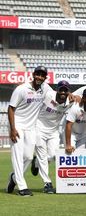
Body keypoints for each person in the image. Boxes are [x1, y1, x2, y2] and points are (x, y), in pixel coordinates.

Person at [6, 66, 52, 196]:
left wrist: (72, 95)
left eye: (42, 75)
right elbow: (11, 108)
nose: (39, 77)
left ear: (45, 78)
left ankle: (14, 178)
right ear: (33, 74)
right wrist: (13, 129)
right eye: (38, 74)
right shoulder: (21, 89)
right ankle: (22, 187)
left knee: (28, 156)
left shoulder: (45, 88)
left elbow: (56, 93)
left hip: (31, 128)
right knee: (17, 155)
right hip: (17, 126)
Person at [34, 80, 74, 194]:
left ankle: (36, 162)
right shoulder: (48, 95)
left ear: (68, 92)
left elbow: (81, 98)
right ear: (57, 89)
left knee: (52, 156)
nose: (63, 92)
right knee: (42, 155)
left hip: (54, 131)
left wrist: (76, 96)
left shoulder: (70, 101)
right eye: (61, 89)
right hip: (39, 128)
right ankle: (47, 183)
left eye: (65, 90)